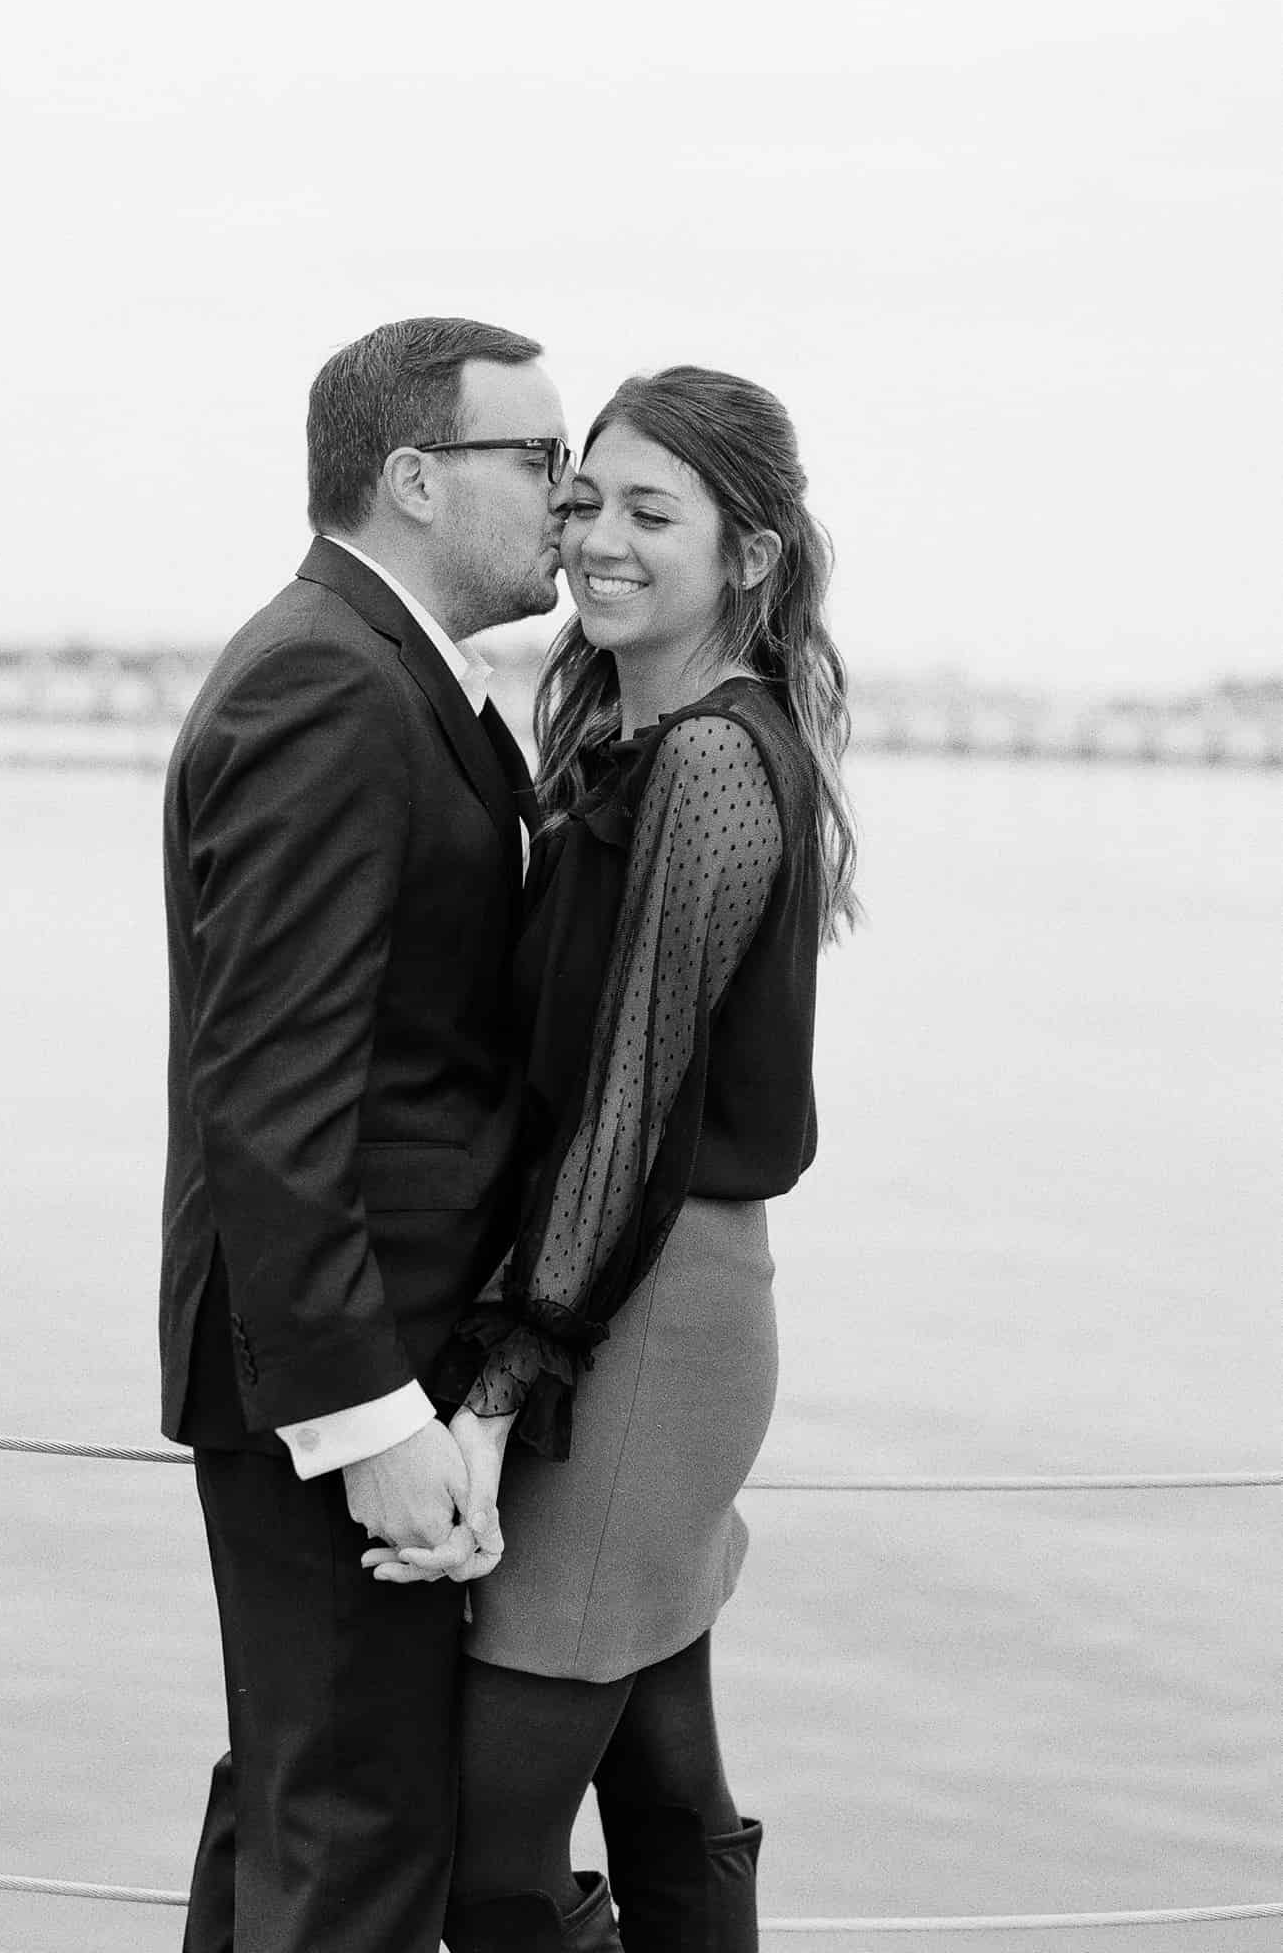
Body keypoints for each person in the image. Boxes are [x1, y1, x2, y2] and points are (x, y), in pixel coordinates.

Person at [384, 367, 853, 1952]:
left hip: (642, 1316)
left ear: (751, 556)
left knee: (484, 1862)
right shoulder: (631, 735)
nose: (595, 537)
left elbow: (631, 1109)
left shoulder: (715, 763)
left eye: (654, 512)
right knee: (663, 1787)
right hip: (639, 1292)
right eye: (580, 499)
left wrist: (498, 1397)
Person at [157, 315, 564, 1952]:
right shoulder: (328, 680)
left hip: (381, 1356)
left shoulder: (403, 671)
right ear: (412, 475)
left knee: (304, 1811)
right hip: (339, 1376)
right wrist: (367, 1418)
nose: (568, 494)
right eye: (536, 459)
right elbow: (270, 1087)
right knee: (355, 1843)